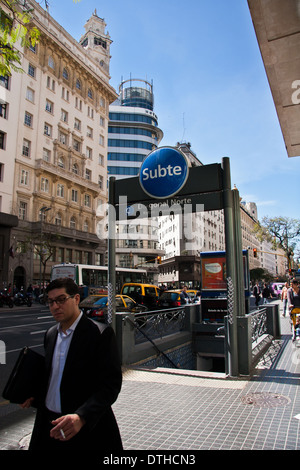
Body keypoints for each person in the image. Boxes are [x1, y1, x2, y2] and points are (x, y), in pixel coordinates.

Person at [21, 277, 123, 451]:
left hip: (83, 428)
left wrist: (82, 416)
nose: (55, 306)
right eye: (51, 301)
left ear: (76, 299)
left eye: (61, 299)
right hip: (49, 424)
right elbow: (53, 378)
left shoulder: (100, 334)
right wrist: (34, 395)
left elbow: (110, 385)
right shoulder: (51, 334)